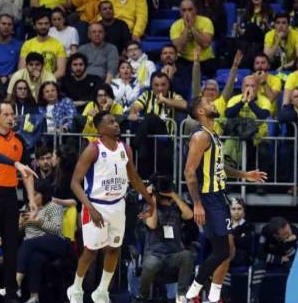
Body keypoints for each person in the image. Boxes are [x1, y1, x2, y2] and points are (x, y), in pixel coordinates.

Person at [183, 95, 267, 303]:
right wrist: (197, 204)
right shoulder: (200, 136)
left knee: (225, 250)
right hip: (208, 198)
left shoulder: (214, 134)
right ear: (201, 112)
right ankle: (196, 286)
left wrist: (245, 175)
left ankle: (211, 292)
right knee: (223, 251)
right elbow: (189, 172)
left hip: (219, 197)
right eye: (208, 103)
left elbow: (220, 167)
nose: (213, 104)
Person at [65, 112, 154, 303]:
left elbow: (134, 178)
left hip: (117, 206)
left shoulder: (125, 148)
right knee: (90, 251)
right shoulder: (93, 149)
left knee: (114, 248)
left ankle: (102, 291)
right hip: (96, 205)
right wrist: (91, 209)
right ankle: (76, 288)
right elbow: (74, 183)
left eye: (116, 121)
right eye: (111, 122)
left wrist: (150, 200)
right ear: (100, 129)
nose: (116, 125)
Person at [0, 102, 38, 303]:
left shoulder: (18, 141)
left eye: (13, 114)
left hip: (10, 194)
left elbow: (27, 173)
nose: (11, 118)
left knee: (11, 244)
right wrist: (14, 163)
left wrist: (31, 199)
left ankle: (11, 290)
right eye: (7, 114)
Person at [137, 177, 195, 303]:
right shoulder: (148, 206)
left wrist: (173, 195)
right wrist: (152, 198)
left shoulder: (176, 207)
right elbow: (152, 225)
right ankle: (143, 296)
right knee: (151, 264)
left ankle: (181, 295)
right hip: (154, 254)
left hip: (173, 255)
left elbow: (190, 215)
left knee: (187, 255)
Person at [14, 179, 72, 303]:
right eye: (30, 194)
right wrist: (21, 224)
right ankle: (34, 296)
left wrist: (37, 221)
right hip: (34, 247)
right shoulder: (27, 208)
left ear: (44, 194)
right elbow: (19, 234)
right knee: (36, 258)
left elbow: (56, 229)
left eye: (35, 194)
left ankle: (16, 284)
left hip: (55, 242)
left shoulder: (53, 206)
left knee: (28, 243)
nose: (32, 198)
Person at [249, 217, 298, 303]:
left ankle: (295, 297)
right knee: (259, 264)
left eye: (288, 230)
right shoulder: (266, 231)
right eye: (284, 233)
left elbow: (295, 257)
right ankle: (254, 298)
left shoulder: (295, 231)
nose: (289, 233)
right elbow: (260, 253)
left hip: (288, 258)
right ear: (276, 235)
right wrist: (279, 259)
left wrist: (286, 243)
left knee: (294, 266)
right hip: (271, 258)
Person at [18, 9, 67, 79]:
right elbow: (21, 69)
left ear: (50, 25)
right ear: (34, 26)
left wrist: (45, 81)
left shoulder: (58, 44)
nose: (43, 26)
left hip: (51, 84)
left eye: (46, 23)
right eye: (40, 24)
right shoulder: (27, 45)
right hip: (31, 82)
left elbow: (61, 71)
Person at [0, 14, 22, 83]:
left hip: (10, 82)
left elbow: (21, 70)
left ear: (13, 27)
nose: (6, 27)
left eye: (9, 24)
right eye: (3, 24)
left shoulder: (20, 45)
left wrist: (7, 78)